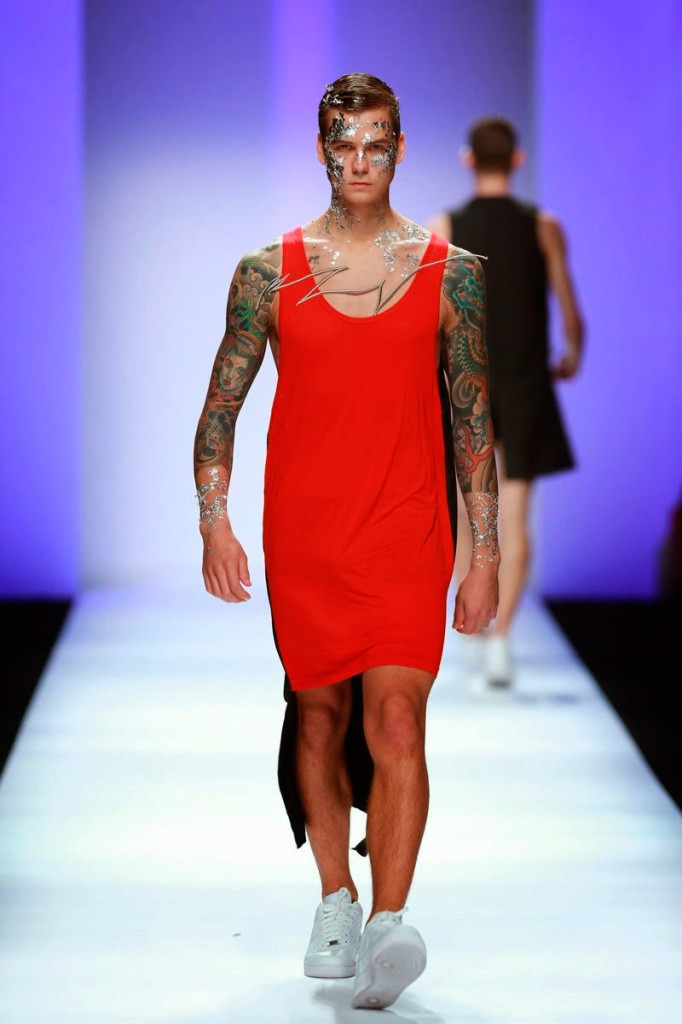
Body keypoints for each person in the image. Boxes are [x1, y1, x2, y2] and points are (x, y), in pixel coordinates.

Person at [193, 74, 500, 1011]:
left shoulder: (454, 273)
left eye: (375, 144)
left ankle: (390, 922)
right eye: (344, 145)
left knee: (399, 721)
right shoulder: (267, 273)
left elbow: (474, 422)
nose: (359, 161)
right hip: (308, 535)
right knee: (319, 718)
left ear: (399, 149)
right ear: (322, 150)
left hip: (409, 530)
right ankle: (336, 898)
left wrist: (484, 554)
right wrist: (214, 519)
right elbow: (220, 410)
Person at [428, 116, 584, 688]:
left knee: (469, 514)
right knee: (513, 519)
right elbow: (569, 308)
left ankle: (474, 628)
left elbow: (431, 314)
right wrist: (572, 355)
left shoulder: (444, 228)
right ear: (517, 160)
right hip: (525, 385)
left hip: (467, 384)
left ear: (468, 160)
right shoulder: (543, 226)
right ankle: (499, 642)